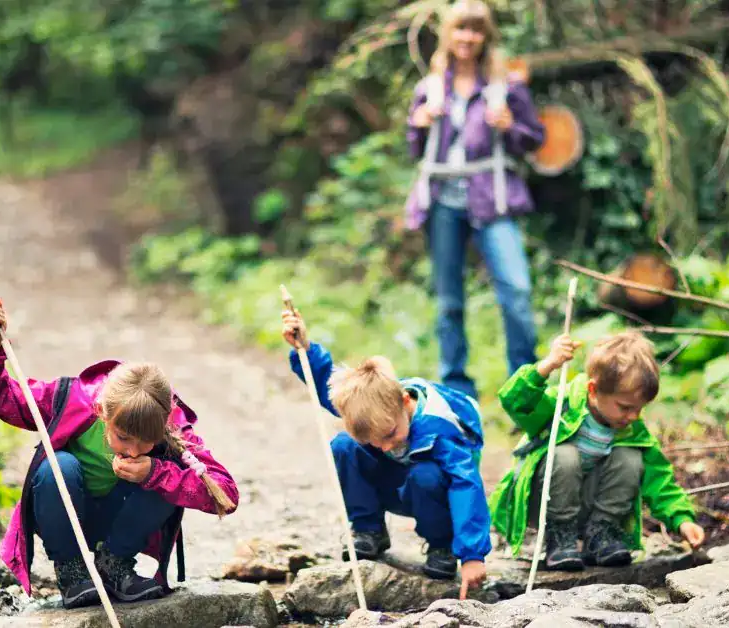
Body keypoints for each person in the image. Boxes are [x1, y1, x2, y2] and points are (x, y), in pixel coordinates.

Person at [0, 297, 239, 608]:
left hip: (121, 524)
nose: (133, 450)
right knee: (59, 465)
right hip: (69, 516)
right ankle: (72, 571)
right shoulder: (69, 400)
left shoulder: (173, 427)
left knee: (168, 469)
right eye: (123, 437)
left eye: (145, 442)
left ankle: (114, 564)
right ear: (101, 412)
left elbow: (225, 493)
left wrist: (155, 473)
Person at [281, 307, 491, 593]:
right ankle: (369, 529)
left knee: (426, 474)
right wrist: (304, 347)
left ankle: (441, 546)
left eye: (391, 434)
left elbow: (466, 486)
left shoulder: (439, 429)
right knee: (343, 445)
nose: (385, 446)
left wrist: (472, 555)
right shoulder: (373, 407)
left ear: (406, 402)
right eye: (374, 441)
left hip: (430, 494)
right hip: (392, 484)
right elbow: (328, 383)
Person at [404, 0, 546, 401]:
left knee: (516, 291)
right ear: (448, 35)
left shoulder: (506, 87)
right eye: (461, 29)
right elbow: (416, 149)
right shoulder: (428, 87)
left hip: (492, 198)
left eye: (476, 30)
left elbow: (533, 139)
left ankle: (524, 387)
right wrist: (418, 124)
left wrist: (511, 125)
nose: (468, 37)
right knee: (449, 301)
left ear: (486, 37)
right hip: (442, 202)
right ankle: (456, 390)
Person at [488, 331, 706, 571]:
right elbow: (514, 400)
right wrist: (548, 364)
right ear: (593, 390)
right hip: (547, 502)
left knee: (631, 458)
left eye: (639, 409)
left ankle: (601, 534)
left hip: (590, 505)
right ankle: (560, 537)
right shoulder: (563, 405)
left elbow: (659, 480)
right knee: (565, 456)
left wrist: (682, 520)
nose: (633, 416)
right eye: (624, 407)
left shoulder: (631, 430)